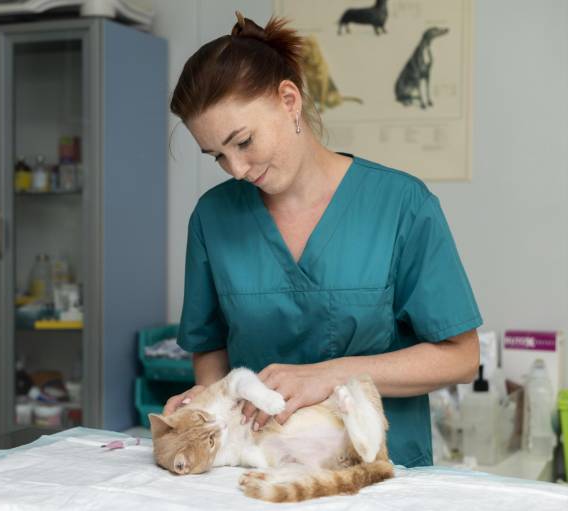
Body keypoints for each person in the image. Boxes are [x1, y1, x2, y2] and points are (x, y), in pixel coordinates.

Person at [161, 12, 482, 468]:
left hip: (376, 472)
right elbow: (209, 344)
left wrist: (331, 376)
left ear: (288, 100)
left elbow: (462, 358)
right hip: (258, 472)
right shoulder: (213, 218)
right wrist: (207, 401)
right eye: (217, 156)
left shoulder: (401, 205)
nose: (236, 169)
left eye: (244, 141)